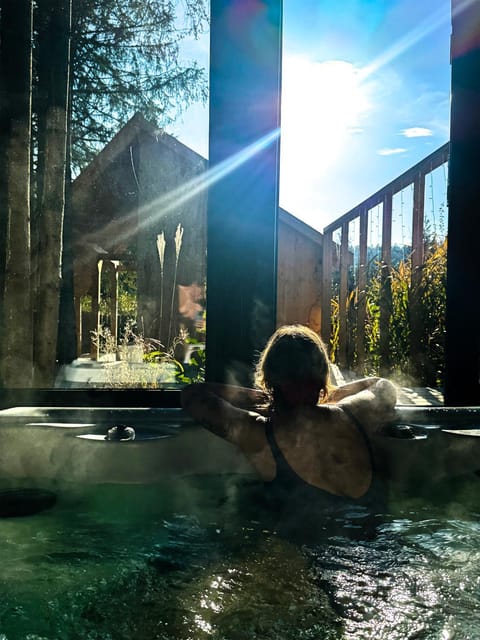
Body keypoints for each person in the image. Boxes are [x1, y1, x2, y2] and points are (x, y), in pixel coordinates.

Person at [181, 325, 397, 522]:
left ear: (272, 379)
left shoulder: (259, 434)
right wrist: (329, 397)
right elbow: (383, 386)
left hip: (311, 556)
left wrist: (263, 396)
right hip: (379, 542)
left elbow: (193, 395)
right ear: (322, 378)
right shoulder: (351, 413)